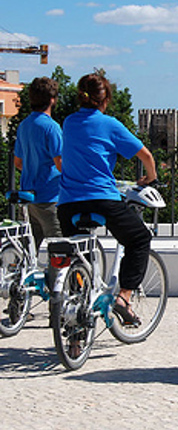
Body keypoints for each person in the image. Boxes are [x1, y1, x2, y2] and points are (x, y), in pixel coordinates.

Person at [57, 73, 157, 328]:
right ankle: (124, 297)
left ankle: (75, 329)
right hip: (102, 199)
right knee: (139, 239)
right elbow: (145, 155)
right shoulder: (110, 124)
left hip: (67, 203)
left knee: (77, 258)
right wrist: (151, 177)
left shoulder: (68, 122)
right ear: (106, 100)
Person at [13, 77, 63, 251]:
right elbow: (61, 163)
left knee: (28, 250)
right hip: (50, 197)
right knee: (59, 251)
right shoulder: (52, 127)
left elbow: (18, 162)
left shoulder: (24, 126)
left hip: (28, 195)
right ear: (52, 99)